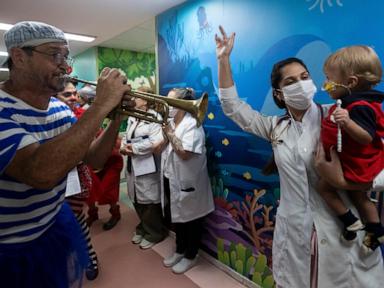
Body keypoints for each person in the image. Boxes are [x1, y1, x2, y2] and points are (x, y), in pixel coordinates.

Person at [215, 26, 384, 287]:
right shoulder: (275, 128)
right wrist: (224, 59)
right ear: (279, 94)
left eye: (305, 77)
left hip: (343, 233)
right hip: (295, 234)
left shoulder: (337, 116)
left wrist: (338, 180)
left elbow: (375, 162)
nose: (301, 84)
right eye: (291, 81)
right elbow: (233, 107)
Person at [0, 21, 130, 288]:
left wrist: (116, 118)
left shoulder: (60, 109)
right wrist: (102, 104)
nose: (65, 66)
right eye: (54, 54)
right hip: (9, 247)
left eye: (65, 56)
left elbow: (92, 160)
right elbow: (40, 173)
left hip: (51, 226)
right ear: (19, 57)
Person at [318, 45, 384, 253]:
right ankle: (375, 230)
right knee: (359, 196)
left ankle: (350, 221)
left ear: (351, 82)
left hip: (360, 165)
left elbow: (366, 137)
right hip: (354, 161)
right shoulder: (350, 102)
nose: (325, 84)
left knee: (324, 187)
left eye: (329, 79)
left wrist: (347, 123)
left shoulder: (360, 107)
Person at [156, 87, 214, 274]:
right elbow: (159, 148)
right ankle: (180, 250)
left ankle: (191, 255)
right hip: (170, 178)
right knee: (177, 218)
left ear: (181, 105)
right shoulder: (171, 121)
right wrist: (166, 131)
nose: (168, 105)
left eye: (171, 102)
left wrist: (170, 133)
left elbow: (185, 153)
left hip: (188, 183)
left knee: (192, 221)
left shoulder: (193, 125)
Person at [56, 78, 100, 280]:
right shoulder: (52, 117)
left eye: (75, 93)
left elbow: (90, 149)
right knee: (72, 223)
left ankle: (88, 259)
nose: (74, 97)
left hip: (75, 180)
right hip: (57, 181)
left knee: (75, 221)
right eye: (67, 94)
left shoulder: (79, 115)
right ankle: (83, 259)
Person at [120, 86, 168, 249]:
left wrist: (133, 148)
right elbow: (127, 136)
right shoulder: (134, 117)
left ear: (146, 100)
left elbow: (155, 142)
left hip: (148, 165)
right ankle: (144, 227)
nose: (134, 99)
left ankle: (155, 233)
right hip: (133, 164)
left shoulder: (155, 117)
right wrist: (122, 146)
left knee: (149, 200)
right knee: (136, 197)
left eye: (137, 97)